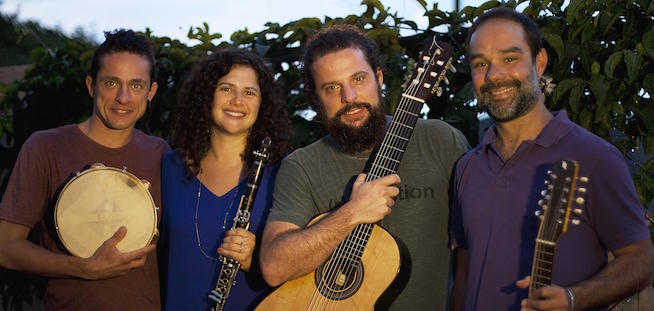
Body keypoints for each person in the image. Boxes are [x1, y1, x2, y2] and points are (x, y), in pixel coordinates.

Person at [449, 8, 654, 311]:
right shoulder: (467, 167)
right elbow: (465, 273)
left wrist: (573, 298)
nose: (494, 75)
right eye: (481, 64)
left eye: (510, 58)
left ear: (540, 62)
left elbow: (642, 262)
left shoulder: (595, 157)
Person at [259, 25, 469, 310]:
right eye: (332, 88)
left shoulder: (441, 141)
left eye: (358, 79)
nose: (350, 96)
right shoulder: (301, 167)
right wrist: (351, 213)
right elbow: (274, 267)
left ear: (379, 78)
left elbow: (475, 240)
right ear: (316, 100)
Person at [0, 29, 168, 310]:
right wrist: (82, 268)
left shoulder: (162, 154)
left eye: (137, 85)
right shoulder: (45, 147)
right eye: (112, 83)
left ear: (151, 91)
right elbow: (5, 247)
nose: (124, 98)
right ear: (91, 86)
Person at [159, 48, 290, 310]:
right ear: (208, 95)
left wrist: (256, 260)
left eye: (249, 92)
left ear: (262, 104)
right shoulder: (169, 166)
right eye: (227, 89)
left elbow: (297, 265)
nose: (238, 101)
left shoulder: (283, 172)